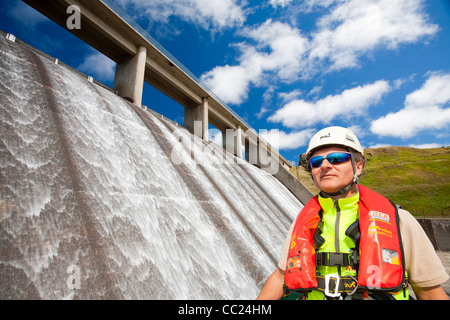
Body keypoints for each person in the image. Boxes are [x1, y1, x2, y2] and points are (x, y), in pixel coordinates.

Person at [257, 126, 449, 300]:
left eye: (337, 159)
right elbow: (281, 276)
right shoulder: (303, 221)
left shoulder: (399, 220)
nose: (325, 166)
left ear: (358, 166)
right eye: (316, 162)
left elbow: (430, 291)